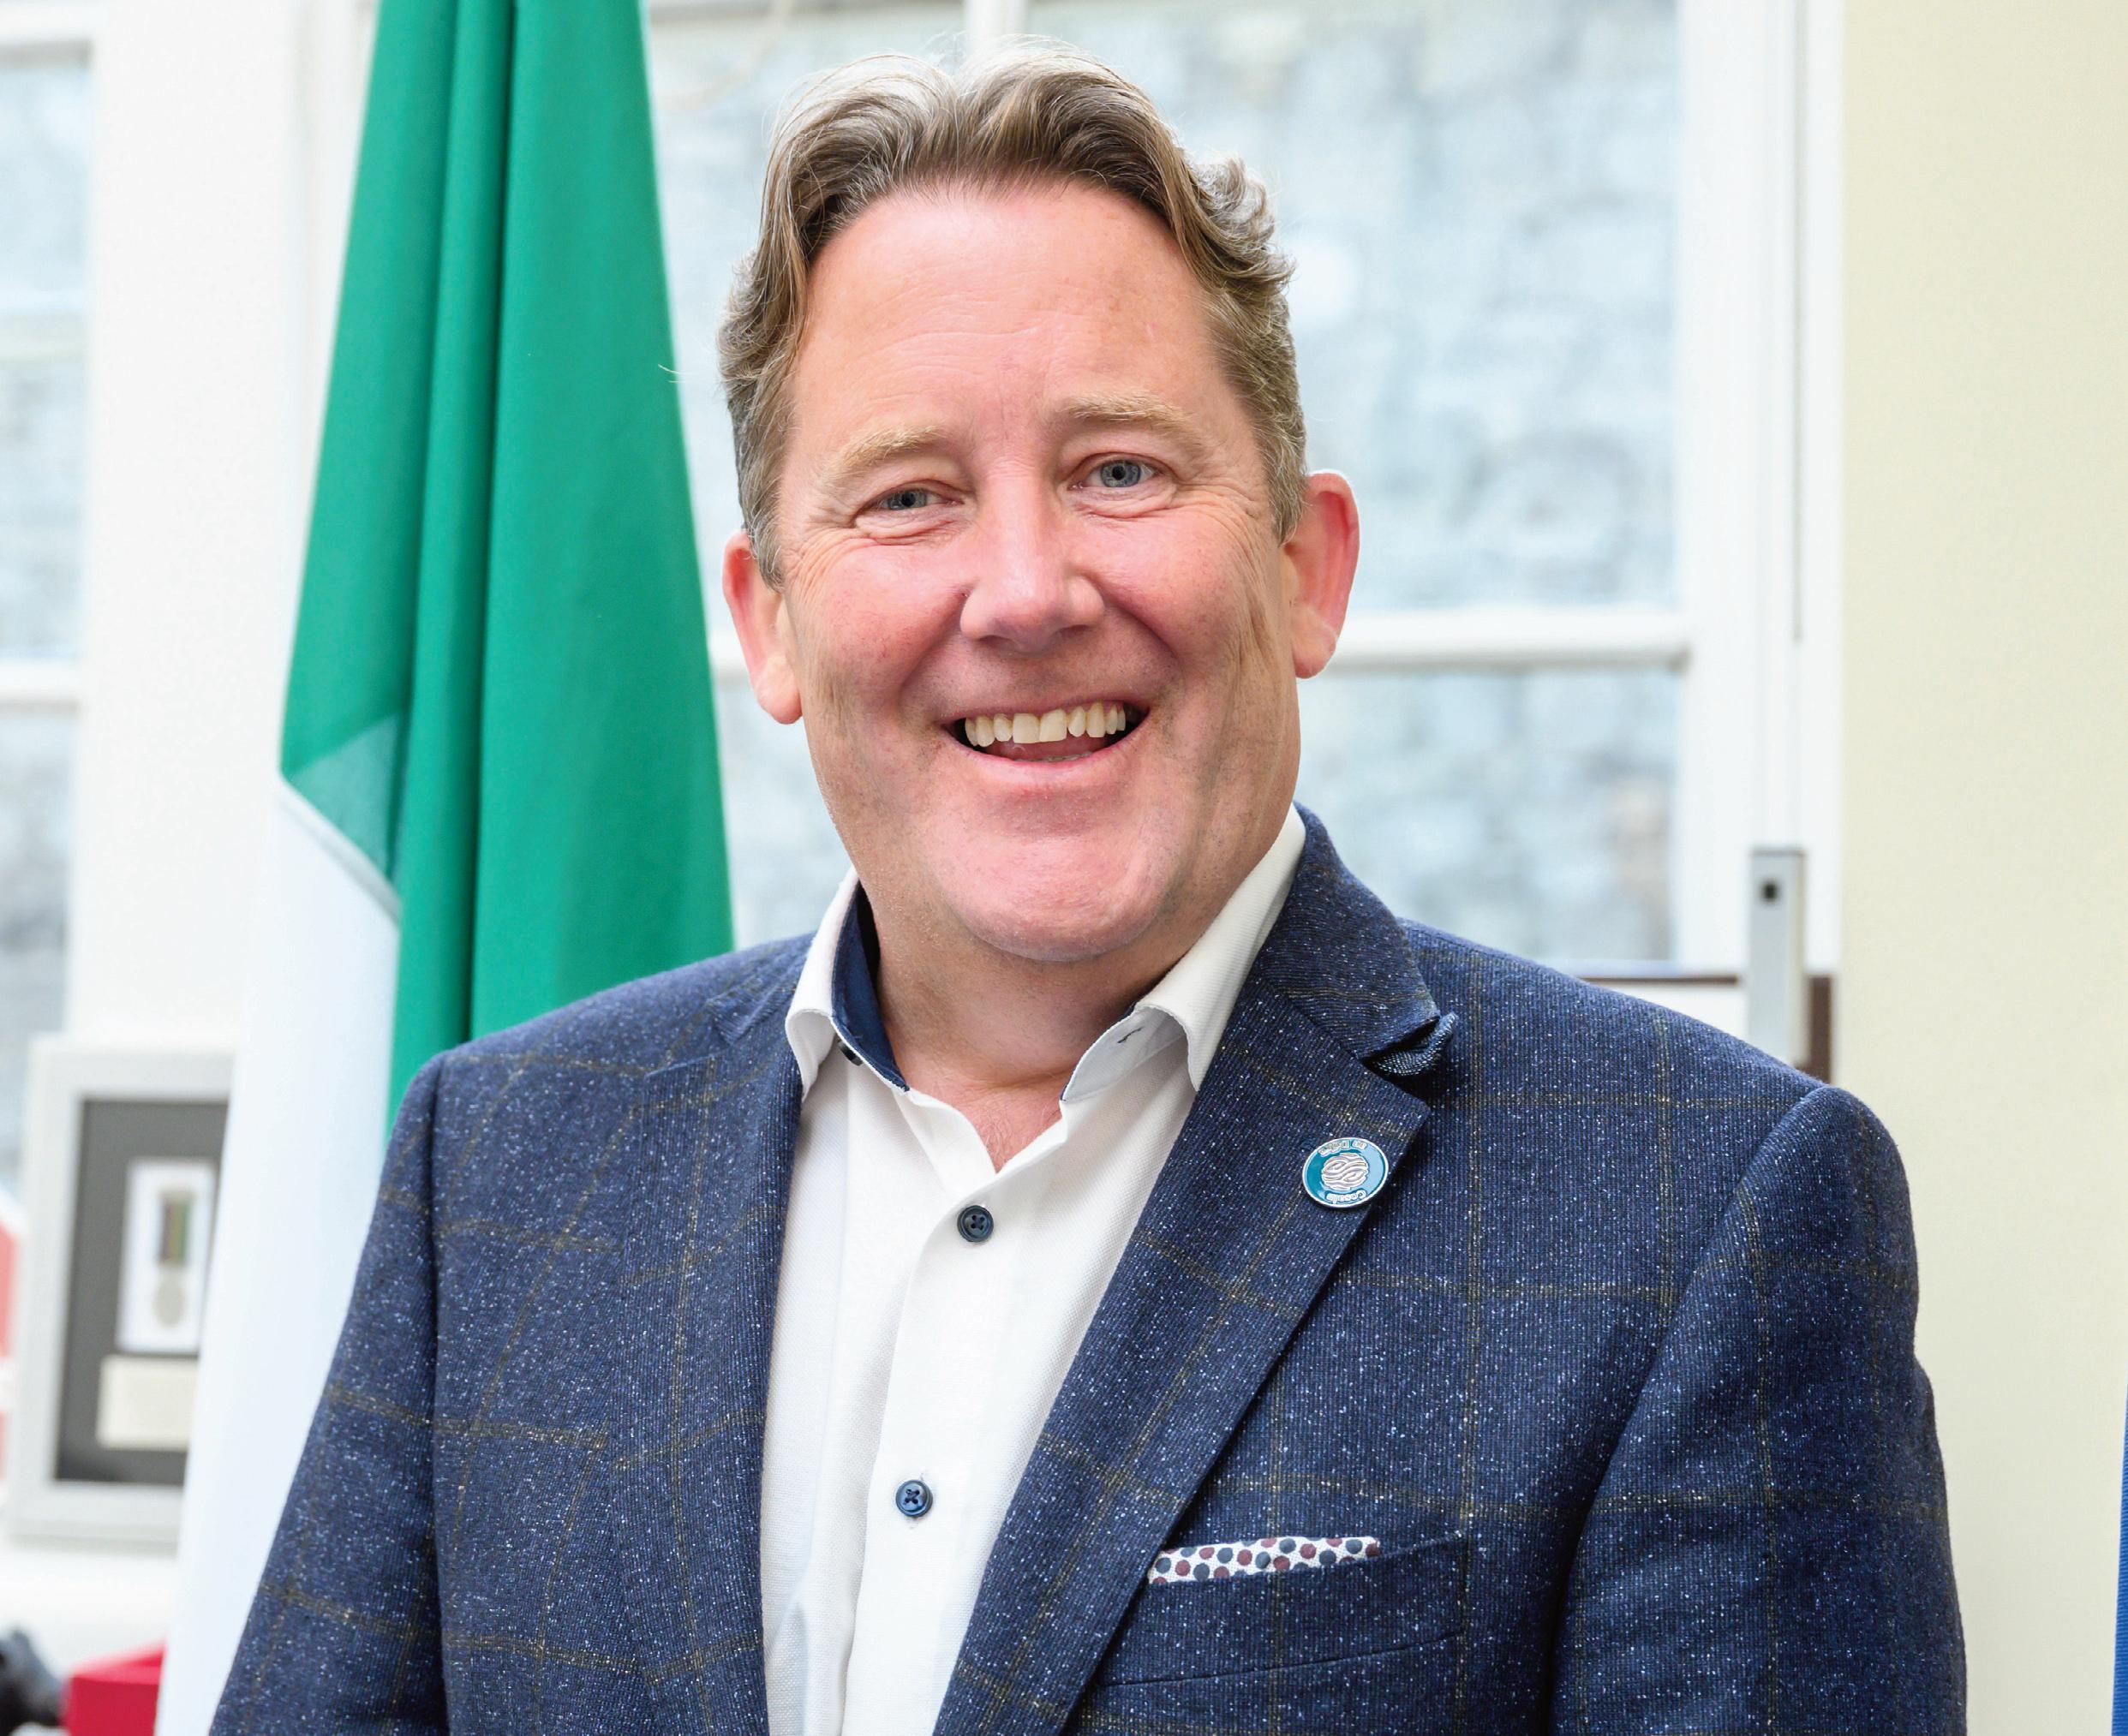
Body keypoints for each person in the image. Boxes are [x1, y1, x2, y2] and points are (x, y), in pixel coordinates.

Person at [211, 44, 1963, 1736]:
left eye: (1120, 470)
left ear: (1308, 568)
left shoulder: (1701, 1213)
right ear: (772, 624)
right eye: (910, 496)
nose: (1027, 592)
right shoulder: (503, 1167)